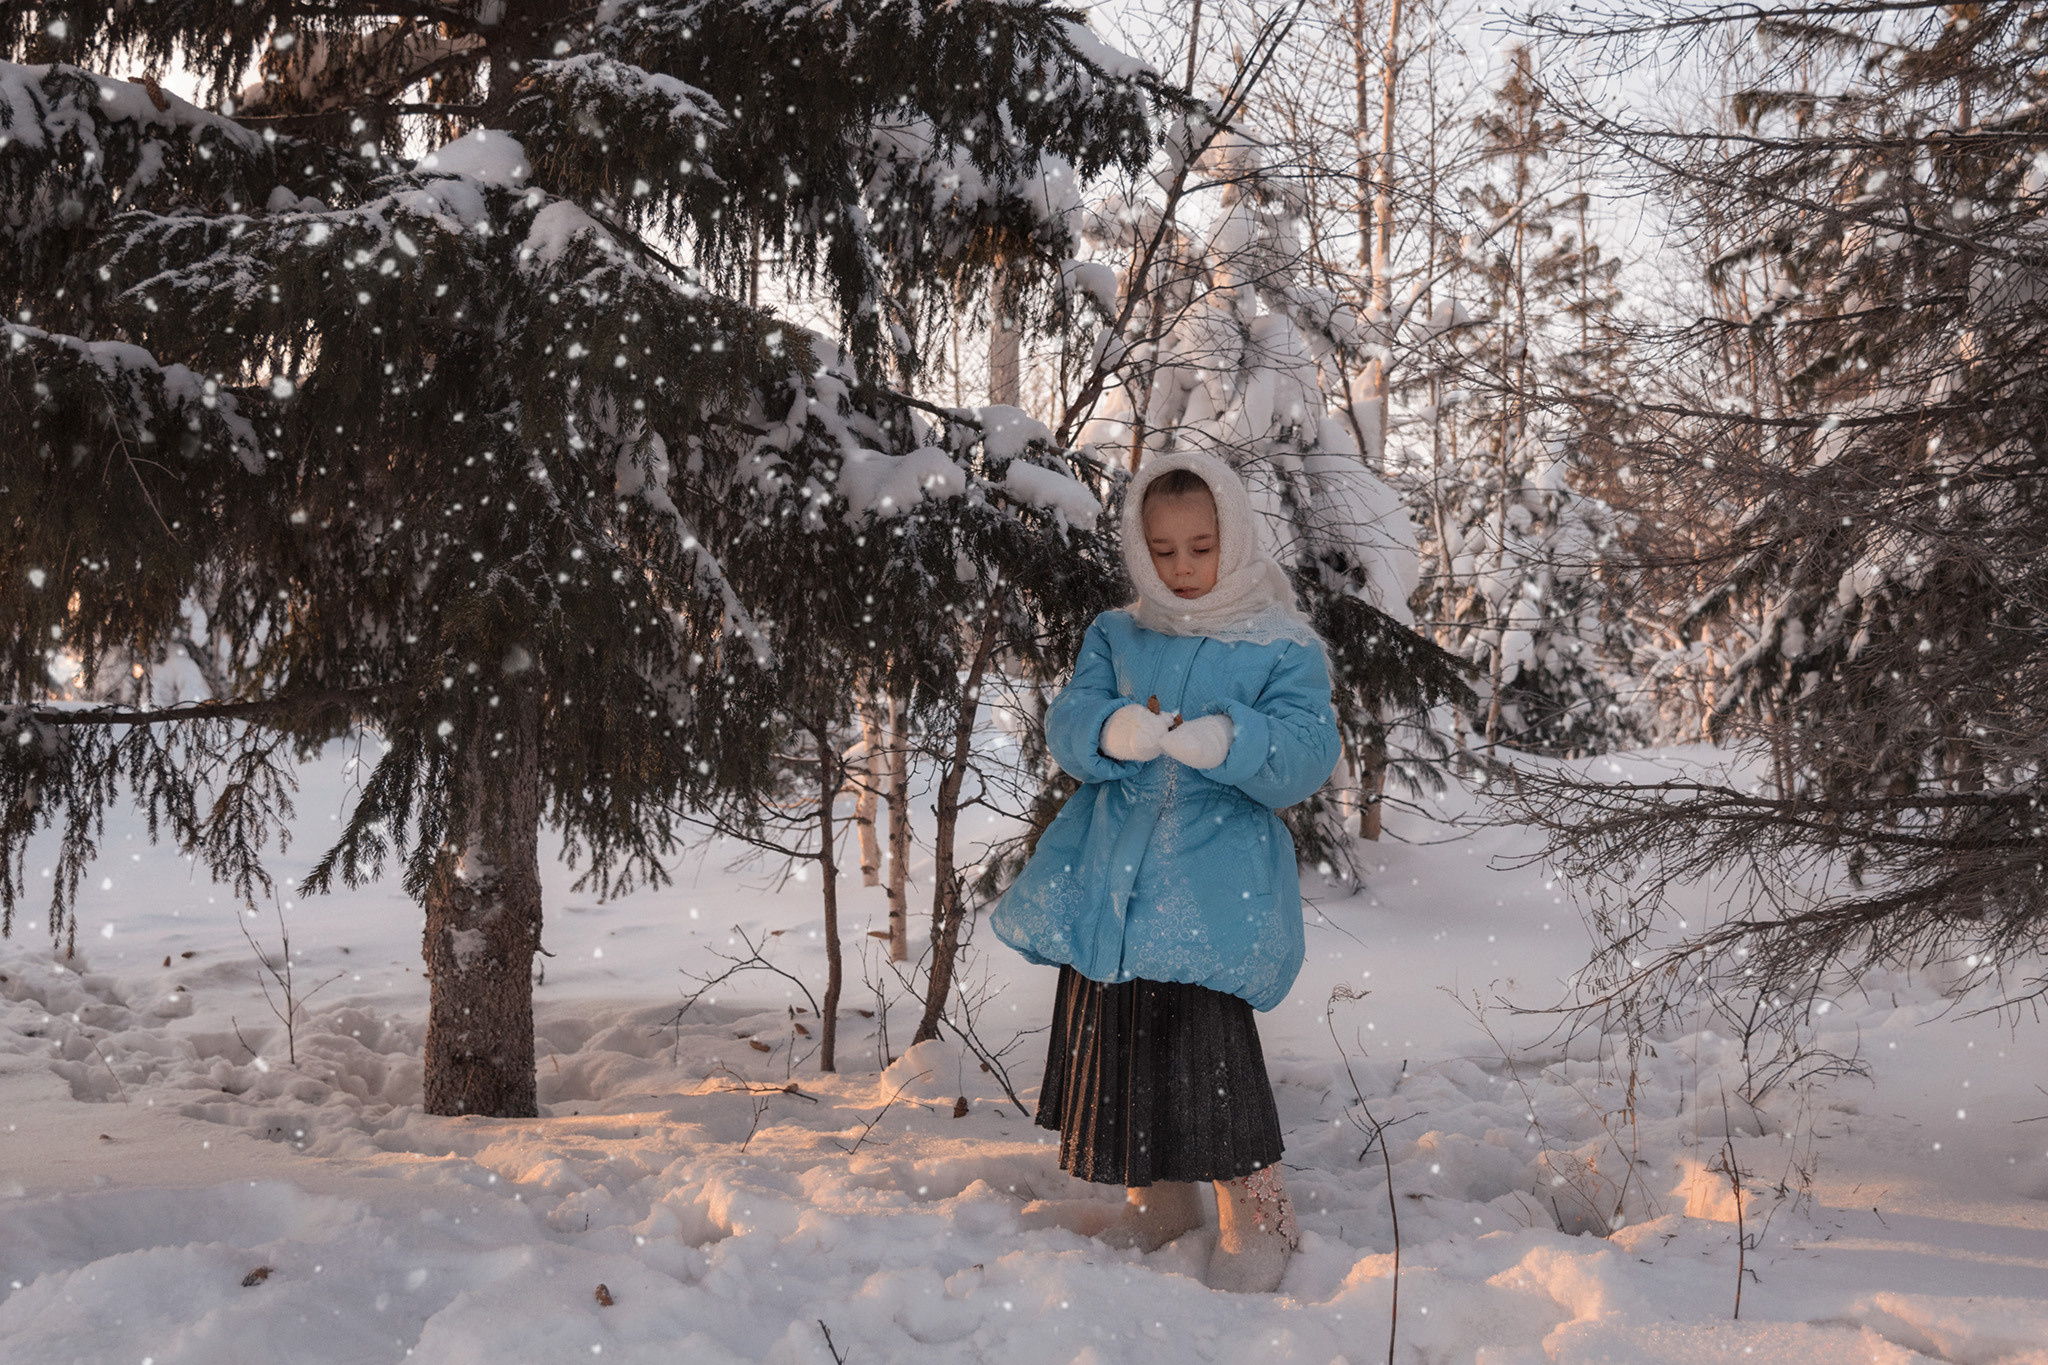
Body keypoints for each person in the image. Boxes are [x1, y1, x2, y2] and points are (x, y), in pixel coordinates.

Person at [991, 447, 1341, 1293]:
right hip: (1118, 879)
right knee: (1124, 1047)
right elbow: (1070, 718)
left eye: (1200, 546)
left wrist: (1234, 740)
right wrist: (1110, 730)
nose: (1182, 567)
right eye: (1164, 550)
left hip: (1212, 891)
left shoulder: (1281, 645)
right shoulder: (1119, 631)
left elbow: (1306, 752)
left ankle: (1257, 1213)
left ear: (1235, 536)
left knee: (1206, 1056)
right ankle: (1159, 1202)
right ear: (1140, 549)